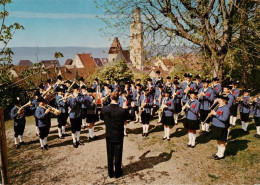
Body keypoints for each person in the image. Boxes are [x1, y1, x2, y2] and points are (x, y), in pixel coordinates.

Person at [101, 92, 126, 178]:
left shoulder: (104, 109)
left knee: (110, 154)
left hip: (109, 134)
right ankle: (117, 172)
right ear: (118, 99)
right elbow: (130, 116)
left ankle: (110, 173)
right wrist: (131, 108)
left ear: (110, 98)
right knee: (118, 154)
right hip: (118, 135)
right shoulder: (122, 110)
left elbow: (101, 118)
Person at [211, 94, 230, 160]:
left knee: (222, 141)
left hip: (221, 127)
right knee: (218, 140)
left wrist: (215, 114)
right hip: (216, 125)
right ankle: (218, 153)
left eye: (220, 99)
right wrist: (211, 115)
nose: (218, 100)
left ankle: (221, 155)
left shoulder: (226, 108)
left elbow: (224, 118)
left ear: (224, 101)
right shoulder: (218, 106)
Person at [67, 84, 85, 148]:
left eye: (78, 89)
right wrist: (66, 98)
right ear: (74, 90)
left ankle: (78, 140)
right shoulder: (70, 96)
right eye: (77, 89)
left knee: (78, 128)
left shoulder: (81, 95)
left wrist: (74, 98)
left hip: (79, 113)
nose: (78, 90)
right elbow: (67, 104)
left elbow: (81, 101)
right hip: (72, 113)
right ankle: (74, 141)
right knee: (73, 128)